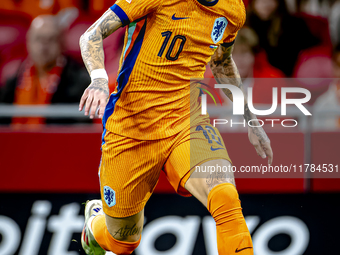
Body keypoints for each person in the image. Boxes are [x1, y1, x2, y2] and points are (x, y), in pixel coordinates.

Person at [78, 0, 273, 255]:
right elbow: (91, 34)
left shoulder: (232, 9)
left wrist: (251, 121)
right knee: (123, 242)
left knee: (225, 198)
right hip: (132, 127)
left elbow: (221, 62)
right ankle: (95, 223)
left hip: (186, 120)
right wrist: (99, 80)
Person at [0, 14, 90, 125]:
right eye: (38, 39)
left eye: (51, 39)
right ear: (28, 42)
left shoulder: (80, 82)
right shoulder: (13, 81)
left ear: (62, 43)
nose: (44, 46)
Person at [247, 0, 319, 77]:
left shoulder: (293, 24)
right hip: (254, 79)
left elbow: (313, 50)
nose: (266, 3)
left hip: (289, 78)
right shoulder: (244, 26)